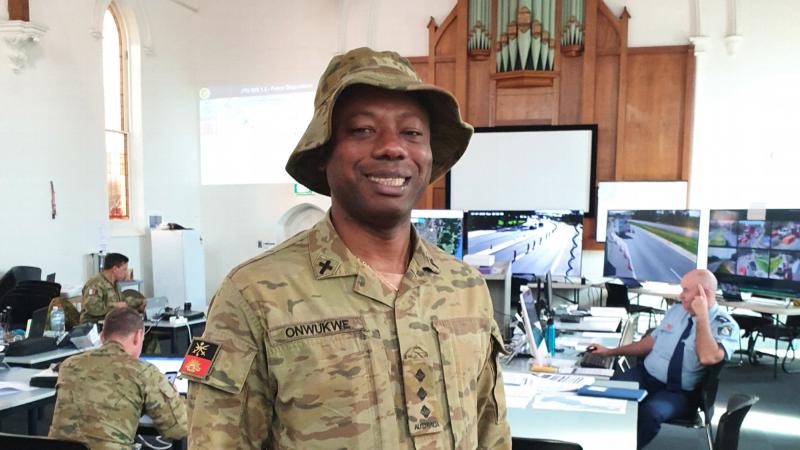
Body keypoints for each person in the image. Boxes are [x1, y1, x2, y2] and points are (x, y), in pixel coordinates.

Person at [181, 47, 511, 449]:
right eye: (362, 130)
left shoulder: (466, 289)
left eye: (411, 132)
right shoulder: (252, 294)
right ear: (323, 153)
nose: (393, 147)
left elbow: (491, 433)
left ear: (427, 154)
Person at [590, 269, 739, 449]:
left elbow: (708, 357)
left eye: (685, 290)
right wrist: (610, 351)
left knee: (650, 413)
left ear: (703, 293)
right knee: (606, 395)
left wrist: (702, 317)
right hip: (645, 375)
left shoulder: (725, 325)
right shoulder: (676, 311)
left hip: (679, 392)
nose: (680, 295)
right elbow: (650, 342)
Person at [49, 306, 187, 449]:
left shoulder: (69, 365)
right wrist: (174, 397)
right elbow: (178, 429)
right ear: (138, 336)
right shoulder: (143, 371)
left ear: (102, 336)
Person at [80, 253, 145, 324]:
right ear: (114, 269)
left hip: (111, 323)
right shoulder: (95, 284)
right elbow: (92, 307)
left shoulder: (115, 284)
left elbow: (123, 302)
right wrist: (115, 306)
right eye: (124, 269)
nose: (126, 273)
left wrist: (141, 302)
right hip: (94, 326)